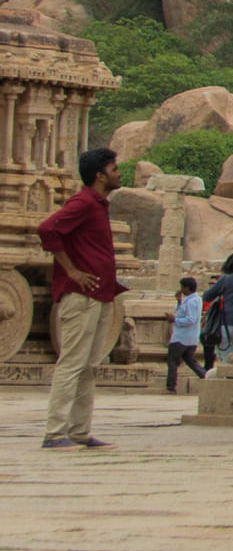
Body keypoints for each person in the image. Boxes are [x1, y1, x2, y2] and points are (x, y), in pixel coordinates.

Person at [38, 148, 127, 449]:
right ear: (100, 175)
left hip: (99, 294)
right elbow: (47, 229)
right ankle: (54, 432)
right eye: (114, 169)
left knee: (89, 365)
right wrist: (71, 270)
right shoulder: (84, 202)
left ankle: (79, 431)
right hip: (81, 296)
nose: (118, 173)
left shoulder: (99, 205)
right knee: (72, 363)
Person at [165, 277, 204, 393]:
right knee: (190, 360)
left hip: (181, 338)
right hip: (191, 338)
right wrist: (179, 301)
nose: (181, 289)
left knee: (172, 361)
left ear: (187, 287)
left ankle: (170, 387)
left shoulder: (192, 301)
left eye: (182, 287)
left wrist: (174, 320)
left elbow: (190, 319)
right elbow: (184, 313)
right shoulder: (195, 299)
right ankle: (205, 377)